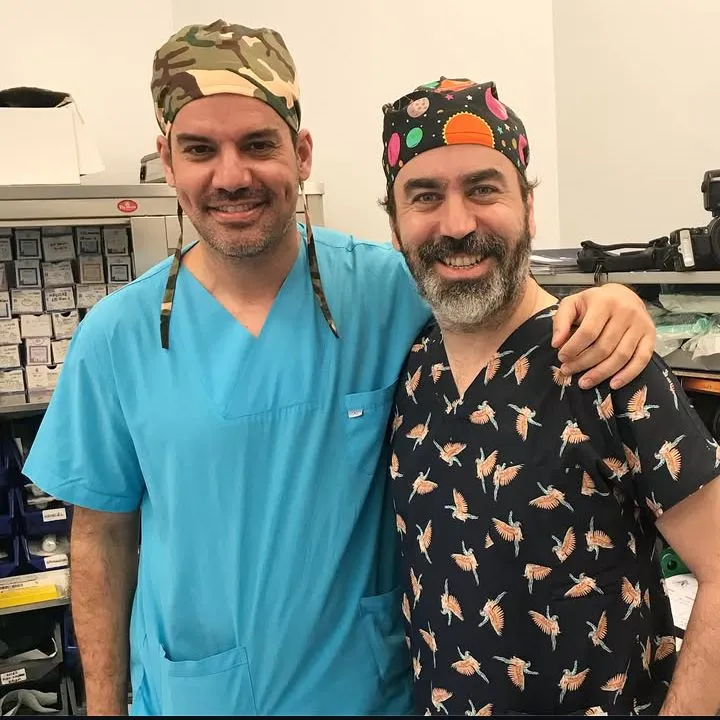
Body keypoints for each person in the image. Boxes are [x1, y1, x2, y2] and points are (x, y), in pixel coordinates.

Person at [22, 22, 656, 717]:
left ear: (301, 154)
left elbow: (493, 289)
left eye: (258, 144)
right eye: (200, 149)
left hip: (367, 695)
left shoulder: (388, 292)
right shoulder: (118, 336)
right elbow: (100, 537)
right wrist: (104, 707)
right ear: (167, 162)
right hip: (196, 696)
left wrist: (610, 302)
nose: (231, 177)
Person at [383, 76, 720, 716]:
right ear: (395, 224)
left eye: (484, 189)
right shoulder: (411, 366)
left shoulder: (604, 362)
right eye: (425, 196)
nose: (457, 224)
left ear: (529, 208)